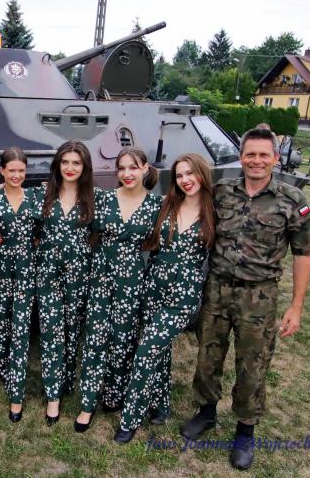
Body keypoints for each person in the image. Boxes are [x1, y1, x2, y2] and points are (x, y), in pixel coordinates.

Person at [180, 128, 310, 471]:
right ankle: (206, 412)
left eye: (263, 155)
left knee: (253, 364)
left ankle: (245, 430)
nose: (256, 161)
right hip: (217, 288)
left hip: (259, 294)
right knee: (208, 354)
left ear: (275, 158)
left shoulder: (291, 199)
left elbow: (304, 252)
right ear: (241, 157)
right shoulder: (222, 191)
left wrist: (296, 306)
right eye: (250, 154)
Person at [114, 153, 215, 444]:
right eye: (180, 175)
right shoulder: (166, 205)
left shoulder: (214, 211)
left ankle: (130, 419)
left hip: (182, 297)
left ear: (202, 174)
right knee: (161, 349)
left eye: (190, 173)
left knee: (146, 350)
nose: (185, 180)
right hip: (153, 286)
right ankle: (160, 406)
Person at [75, 147, 162, 432]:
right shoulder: (104, 198)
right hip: (101, 276)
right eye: (122, 168)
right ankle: (87, 403)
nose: (127, 174)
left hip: (132, 280)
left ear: (145, 168)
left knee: (122, 339)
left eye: (133, 167)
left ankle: (113, 395)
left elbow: (159, 239)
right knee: (95, 338)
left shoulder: (156, 205)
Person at [33, 140, 100, 425]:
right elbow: (9, 196)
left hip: (79, 274)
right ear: (57, 164)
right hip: (48, 273)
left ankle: (66, 380)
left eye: (76, 163)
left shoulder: (95, 198)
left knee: (72, 330)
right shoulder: (41, 194)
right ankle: (53, 396)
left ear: (84, 167)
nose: (70, 168)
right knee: (51, 331)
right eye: (65, 162)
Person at [0, 148, 38, 422]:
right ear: (2, 171)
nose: (16, 175)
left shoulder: (34, 196)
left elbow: (43, 226)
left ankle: (16, 369)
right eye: (12, 170)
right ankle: (2, 362)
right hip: (2, 264)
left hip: (26, 265)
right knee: (2, 315)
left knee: (21, 319)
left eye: (21, 170)